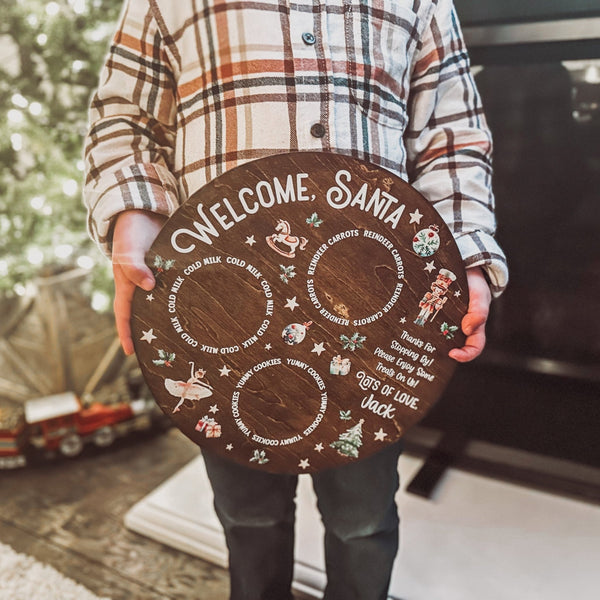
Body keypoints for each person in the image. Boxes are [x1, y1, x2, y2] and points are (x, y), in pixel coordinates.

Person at [83, 1, 508, 598]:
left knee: (363, 522)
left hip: (373, 327)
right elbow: (126, 115)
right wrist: (132, 214)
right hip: (219, 317)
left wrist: (461, 255)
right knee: (248, 517)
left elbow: (450, 135)